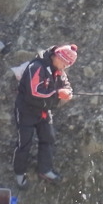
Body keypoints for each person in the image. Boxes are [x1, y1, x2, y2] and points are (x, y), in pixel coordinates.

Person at [12, 43, 77, 189]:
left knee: (48, 138)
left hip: (43, 111)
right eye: (64, 63)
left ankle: (45, 169)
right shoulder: (36, 67)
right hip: (26, 110)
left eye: (68, 65)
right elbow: (34, 92)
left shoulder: (59, 70)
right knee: (24, 143)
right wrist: (57, 93)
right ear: (57, 56)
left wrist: (67, 92)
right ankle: (19, 174)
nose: (64, 67)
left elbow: (66, 85)